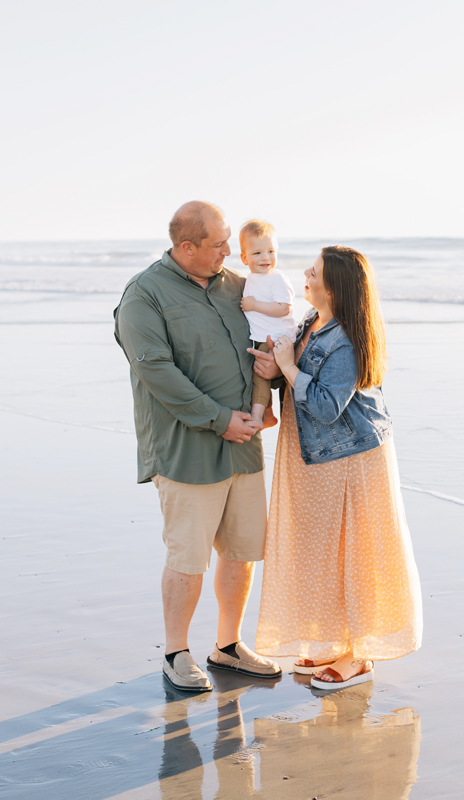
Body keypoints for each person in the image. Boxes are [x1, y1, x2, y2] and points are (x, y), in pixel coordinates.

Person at [114, 201, 281, 693]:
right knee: (188, 556)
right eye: (219, 244)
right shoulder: (144, 294)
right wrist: (219, 419)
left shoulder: (238, 288)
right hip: (186, 448)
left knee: (241, 551)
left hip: (244, 442)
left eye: (229, 241)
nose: (231, 251)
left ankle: (227, 646)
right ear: (186, 247)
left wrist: (260, 398)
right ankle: (175, 652)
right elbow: (156, 371)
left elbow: (262, 347)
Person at [252, 245, 423, 690]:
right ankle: (332, 640)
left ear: (335, 288)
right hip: (313, 458)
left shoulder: (346, 338)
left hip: (349, 461)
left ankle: (357, 655)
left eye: (313, 272)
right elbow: (298, 377)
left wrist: (288, 367)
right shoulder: (312, 321)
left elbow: (327, 407)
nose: (304, 275)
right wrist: (277, 368)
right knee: (322, 551)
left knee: (355, 552)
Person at [239, 219, 297, 429]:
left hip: (277, 337)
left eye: (271, 251)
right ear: (244, 258)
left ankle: (260, 416)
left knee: (259, 375)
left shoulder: (276, 278)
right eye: (257, 253)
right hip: (262, 336)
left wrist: (254, 305)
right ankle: (270, 413)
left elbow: (284, 308)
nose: (266, 257)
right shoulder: (252, 278)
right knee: (258, 373)